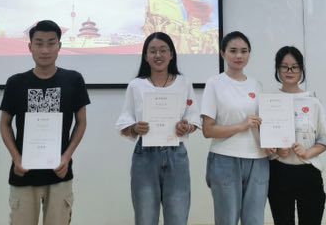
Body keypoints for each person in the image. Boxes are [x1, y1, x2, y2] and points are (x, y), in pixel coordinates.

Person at [0, 20, 90, 225]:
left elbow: (81, 122)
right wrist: (16, 158)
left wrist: (66, 157)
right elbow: (4, 124)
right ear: (30, 47)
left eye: (51, 43)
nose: (45, 50)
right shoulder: (15, 82)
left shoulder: (73, 80)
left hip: (59, 172)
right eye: (39, 43)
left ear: (59, 46)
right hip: (24, 173)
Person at [115, 32, 200, 225]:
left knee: (178, 217)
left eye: (163, 50)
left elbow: (194, 119)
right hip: (144, 156)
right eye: (152, 51)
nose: (158, 55)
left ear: (171, 54)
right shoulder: (136, 85)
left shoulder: (184, 82)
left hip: (176, 154)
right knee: (145, 217)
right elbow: (124, 124)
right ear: (146, 56)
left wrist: (186, 127)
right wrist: (135, 128)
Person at [201, 31, 269, 225]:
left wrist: (272, 142)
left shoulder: (256, 85)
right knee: (227, 220)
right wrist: (241, 126)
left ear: (249, 54)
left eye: (244, 51)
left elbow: (262, 124)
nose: (239, 55)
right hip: (225, 158)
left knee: (255, 220)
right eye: (233, 51)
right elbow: (208, 130)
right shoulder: (214, 83)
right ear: (223, 53)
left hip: (258, 160)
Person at [266, 46, 326, 225]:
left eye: (294, 67)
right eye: (284, 66)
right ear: (277, 69)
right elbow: (264, 139)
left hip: (308, 172)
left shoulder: (313, 101)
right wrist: (276, 150)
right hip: (279, 172)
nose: (289, 71)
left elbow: (325, 139)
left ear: (301, 69)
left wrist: (307, 153)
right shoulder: (269, 100)